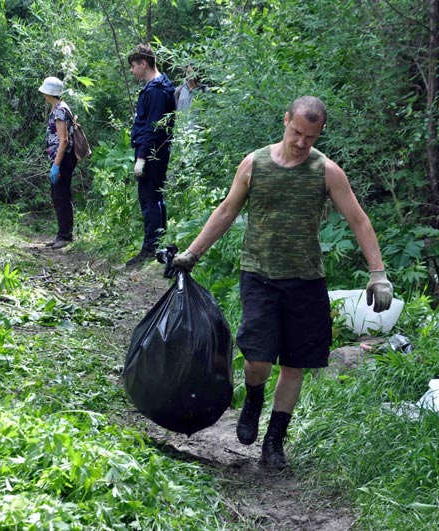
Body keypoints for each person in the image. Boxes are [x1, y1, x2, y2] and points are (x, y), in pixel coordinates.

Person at [170, 96, 394, 469]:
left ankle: (274, 442)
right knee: (257, 359)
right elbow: (226, 210)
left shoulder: (326, 171)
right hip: (259, 276)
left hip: (305, 282)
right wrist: (192, 254)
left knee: (294, 366)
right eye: (297, 132)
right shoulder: (254, 164)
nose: (302, 143)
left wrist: (378, 272)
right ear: (285, 119)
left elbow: (358, 219)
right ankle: (254, 399)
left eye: (311, 136)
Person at [126, 44, 176, 267]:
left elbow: (153, 127)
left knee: (150, 200)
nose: (131, 71)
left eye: (133, 66)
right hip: (157, 152)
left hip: (153, 154)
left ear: (143, 64)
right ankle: (158, 244)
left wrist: (142, 157)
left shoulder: (156, 90)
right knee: (156, 198)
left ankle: (150, 248)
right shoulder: (160, 86)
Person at [39, 76, 77, 249]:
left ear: (49, 93)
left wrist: (56, 164)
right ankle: (62, 234)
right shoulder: (59, 108)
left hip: (63, 159)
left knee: (61, 196)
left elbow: (63, 140)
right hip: (61, 159)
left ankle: (65, 236)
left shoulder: (60, 111)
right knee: (59, 195)